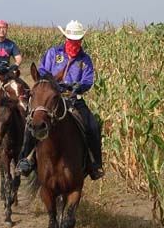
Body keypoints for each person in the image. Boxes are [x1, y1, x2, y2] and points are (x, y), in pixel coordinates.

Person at [17, 20, 104, 180]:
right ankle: (25, 160)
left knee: (93, 125)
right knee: (33, 122)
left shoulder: (85, 60)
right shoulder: (53, 53)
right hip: (50, 98)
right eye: (71, 38)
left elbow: (88, 79)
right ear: (66, 38)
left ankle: (95, 163)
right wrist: (51, 81)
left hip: (72, 98)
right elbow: (42, 70)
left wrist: (79, 86)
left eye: (77, 39)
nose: (74, 42)